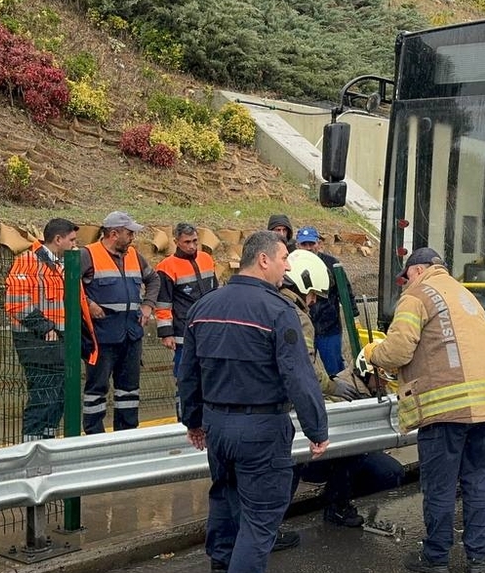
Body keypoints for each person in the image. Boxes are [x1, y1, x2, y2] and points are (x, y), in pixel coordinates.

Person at [178, 231, 330, 573]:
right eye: (282, 259)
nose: (286, 266)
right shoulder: (278, 311)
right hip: (262, 429)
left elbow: (188, 373)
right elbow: (299, 376)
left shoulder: (204, 306)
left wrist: (193, 420)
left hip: (218, 426)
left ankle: (220, 565)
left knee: (225, 501)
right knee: (260, 522)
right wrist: (317, 428)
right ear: (263, 260)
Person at [361, 248, 485, 573]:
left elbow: (397, 351)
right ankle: (478, 560)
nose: (405, 283)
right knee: (478, 483)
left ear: (418, 270)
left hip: (446, 409)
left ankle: (436, 558)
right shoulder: (465, 295)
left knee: (439, 486)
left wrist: (371, 353)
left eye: (406, 276)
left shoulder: (417, 295)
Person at [278, 249, 401, 530]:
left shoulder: (266, 304)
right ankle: (322, 511)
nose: (312, 303)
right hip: (292, 421)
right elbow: (304, 372)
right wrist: (332, 386)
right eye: (312, 296)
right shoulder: (293, 315)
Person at [4, 218, 98, 441]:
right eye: (72, 240)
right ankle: (33, 449)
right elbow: (16, 301)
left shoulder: (61, 265)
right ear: (58, 239)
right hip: (37, 343)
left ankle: (47, 444)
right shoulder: (28, 262)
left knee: (57, 399)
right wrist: (45, 327)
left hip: (59, 341)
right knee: (43, 398)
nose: (75, 246)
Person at [80, 211, 161, 434]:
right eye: (129, 233)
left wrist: (148, 305)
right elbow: (67, 283)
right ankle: (93, 436)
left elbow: (153, 279)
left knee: (129, 391)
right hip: (102, 337)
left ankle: (127, 433)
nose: (132, 237)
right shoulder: (88, 255)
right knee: (96, 389)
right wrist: (87, 303)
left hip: (131, 335)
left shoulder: (134, 255)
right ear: (114, 234)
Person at [156, 223, 220, 418]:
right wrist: (166, 334)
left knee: (211, 376)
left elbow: (216, 293)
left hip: (210, 331)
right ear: (176, 242)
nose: (192, 246)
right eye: (187, 242)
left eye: (194, 241)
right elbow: (163, 303)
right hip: (183, 334)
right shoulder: (166, 267)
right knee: (185, 378)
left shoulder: (207, 259)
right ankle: (183, 419)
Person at [295, 225, 357, 377]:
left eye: (311, 244)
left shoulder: (332, 264)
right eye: (304, 244)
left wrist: (354, 315)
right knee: (302, 368)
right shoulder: (291, 264)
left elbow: (346, 291)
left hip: (329, 327)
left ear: (319, 244)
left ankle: (342, 396)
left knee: (335, 368)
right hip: (302, 327)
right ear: (297, 245)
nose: (308, 248)